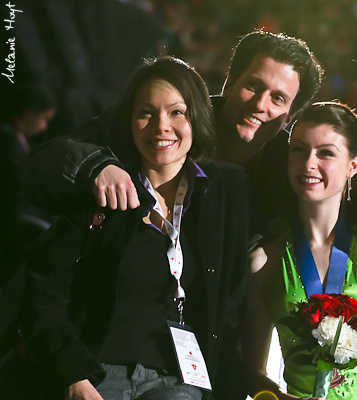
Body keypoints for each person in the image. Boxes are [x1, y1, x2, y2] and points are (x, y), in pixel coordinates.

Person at [20, 56, 248, 400]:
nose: (161, 126)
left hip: (176, 379)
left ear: (196, 117)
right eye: (146, 113)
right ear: (129, 121)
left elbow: (232, 300)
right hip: (96, 373)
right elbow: (43, 291)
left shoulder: (222, 192)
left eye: (176, 112)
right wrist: (74, 376)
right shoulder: (102, 191)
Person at [21, 30, 323, 247]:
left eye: (278, 99)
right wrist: (95, 166)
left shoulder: (292, 170)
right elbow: (43, 165)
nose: (260, 104)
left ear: (290, 116)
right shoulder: (166, 119)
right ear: (229, 82)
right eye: (253, 86)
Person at [244, 102, 357, 400]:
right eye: (299, 150)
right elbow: (251, 373)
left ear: (352, 165)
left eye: (326, 153)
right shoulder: (265, 261)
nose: (308, 163)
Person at [0, 83, 56, 288]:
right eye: (43, 119)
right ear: (29, 112)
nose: (43, 127)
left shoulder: (19, 139)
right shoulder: (6, 139)